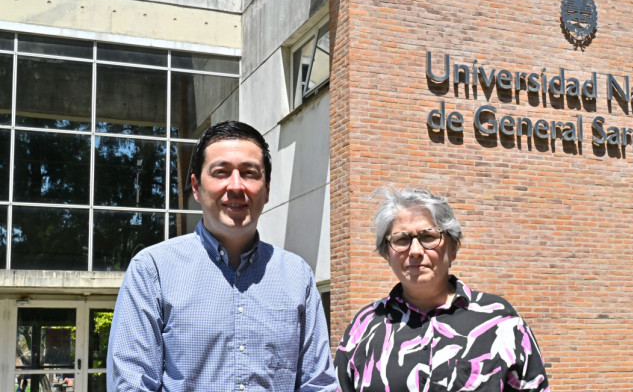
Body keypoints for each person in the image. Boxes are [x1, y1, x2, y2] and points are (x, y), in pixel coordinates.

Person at [107, 121, 337, 392]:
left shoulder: (298, 277)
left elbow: (318, 385)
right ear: (196, 187)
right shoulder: (153, 271)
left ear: (267, 190)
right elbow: (131, 385)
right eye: (221, 172)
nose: (236, 186)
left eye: (250, 173)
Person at [335, 188, 549, 391]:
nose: (415, 251)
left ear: (453, 248)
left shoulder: (500, 321)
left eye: (428, 237)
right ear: (386, 254)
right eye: (402, 240)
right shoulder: (365, 327)